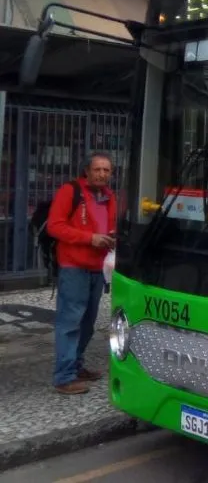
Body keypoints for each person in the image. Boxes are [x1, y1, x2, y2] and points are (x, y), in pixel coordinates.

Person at [47, 153, 117, 395]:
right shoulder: (70, 191)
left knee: (87, 323)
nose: (102, 174)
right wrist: (90, 238)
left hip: (98, 268)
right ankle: (64, 377)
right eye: (97, 169)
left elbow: (110, 226)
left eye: (106, 170)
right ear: (86, 170)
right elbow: (55, 226)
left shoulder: (109, 196)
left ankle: (76, 366)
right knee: (70, 322)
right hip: (74, 266)